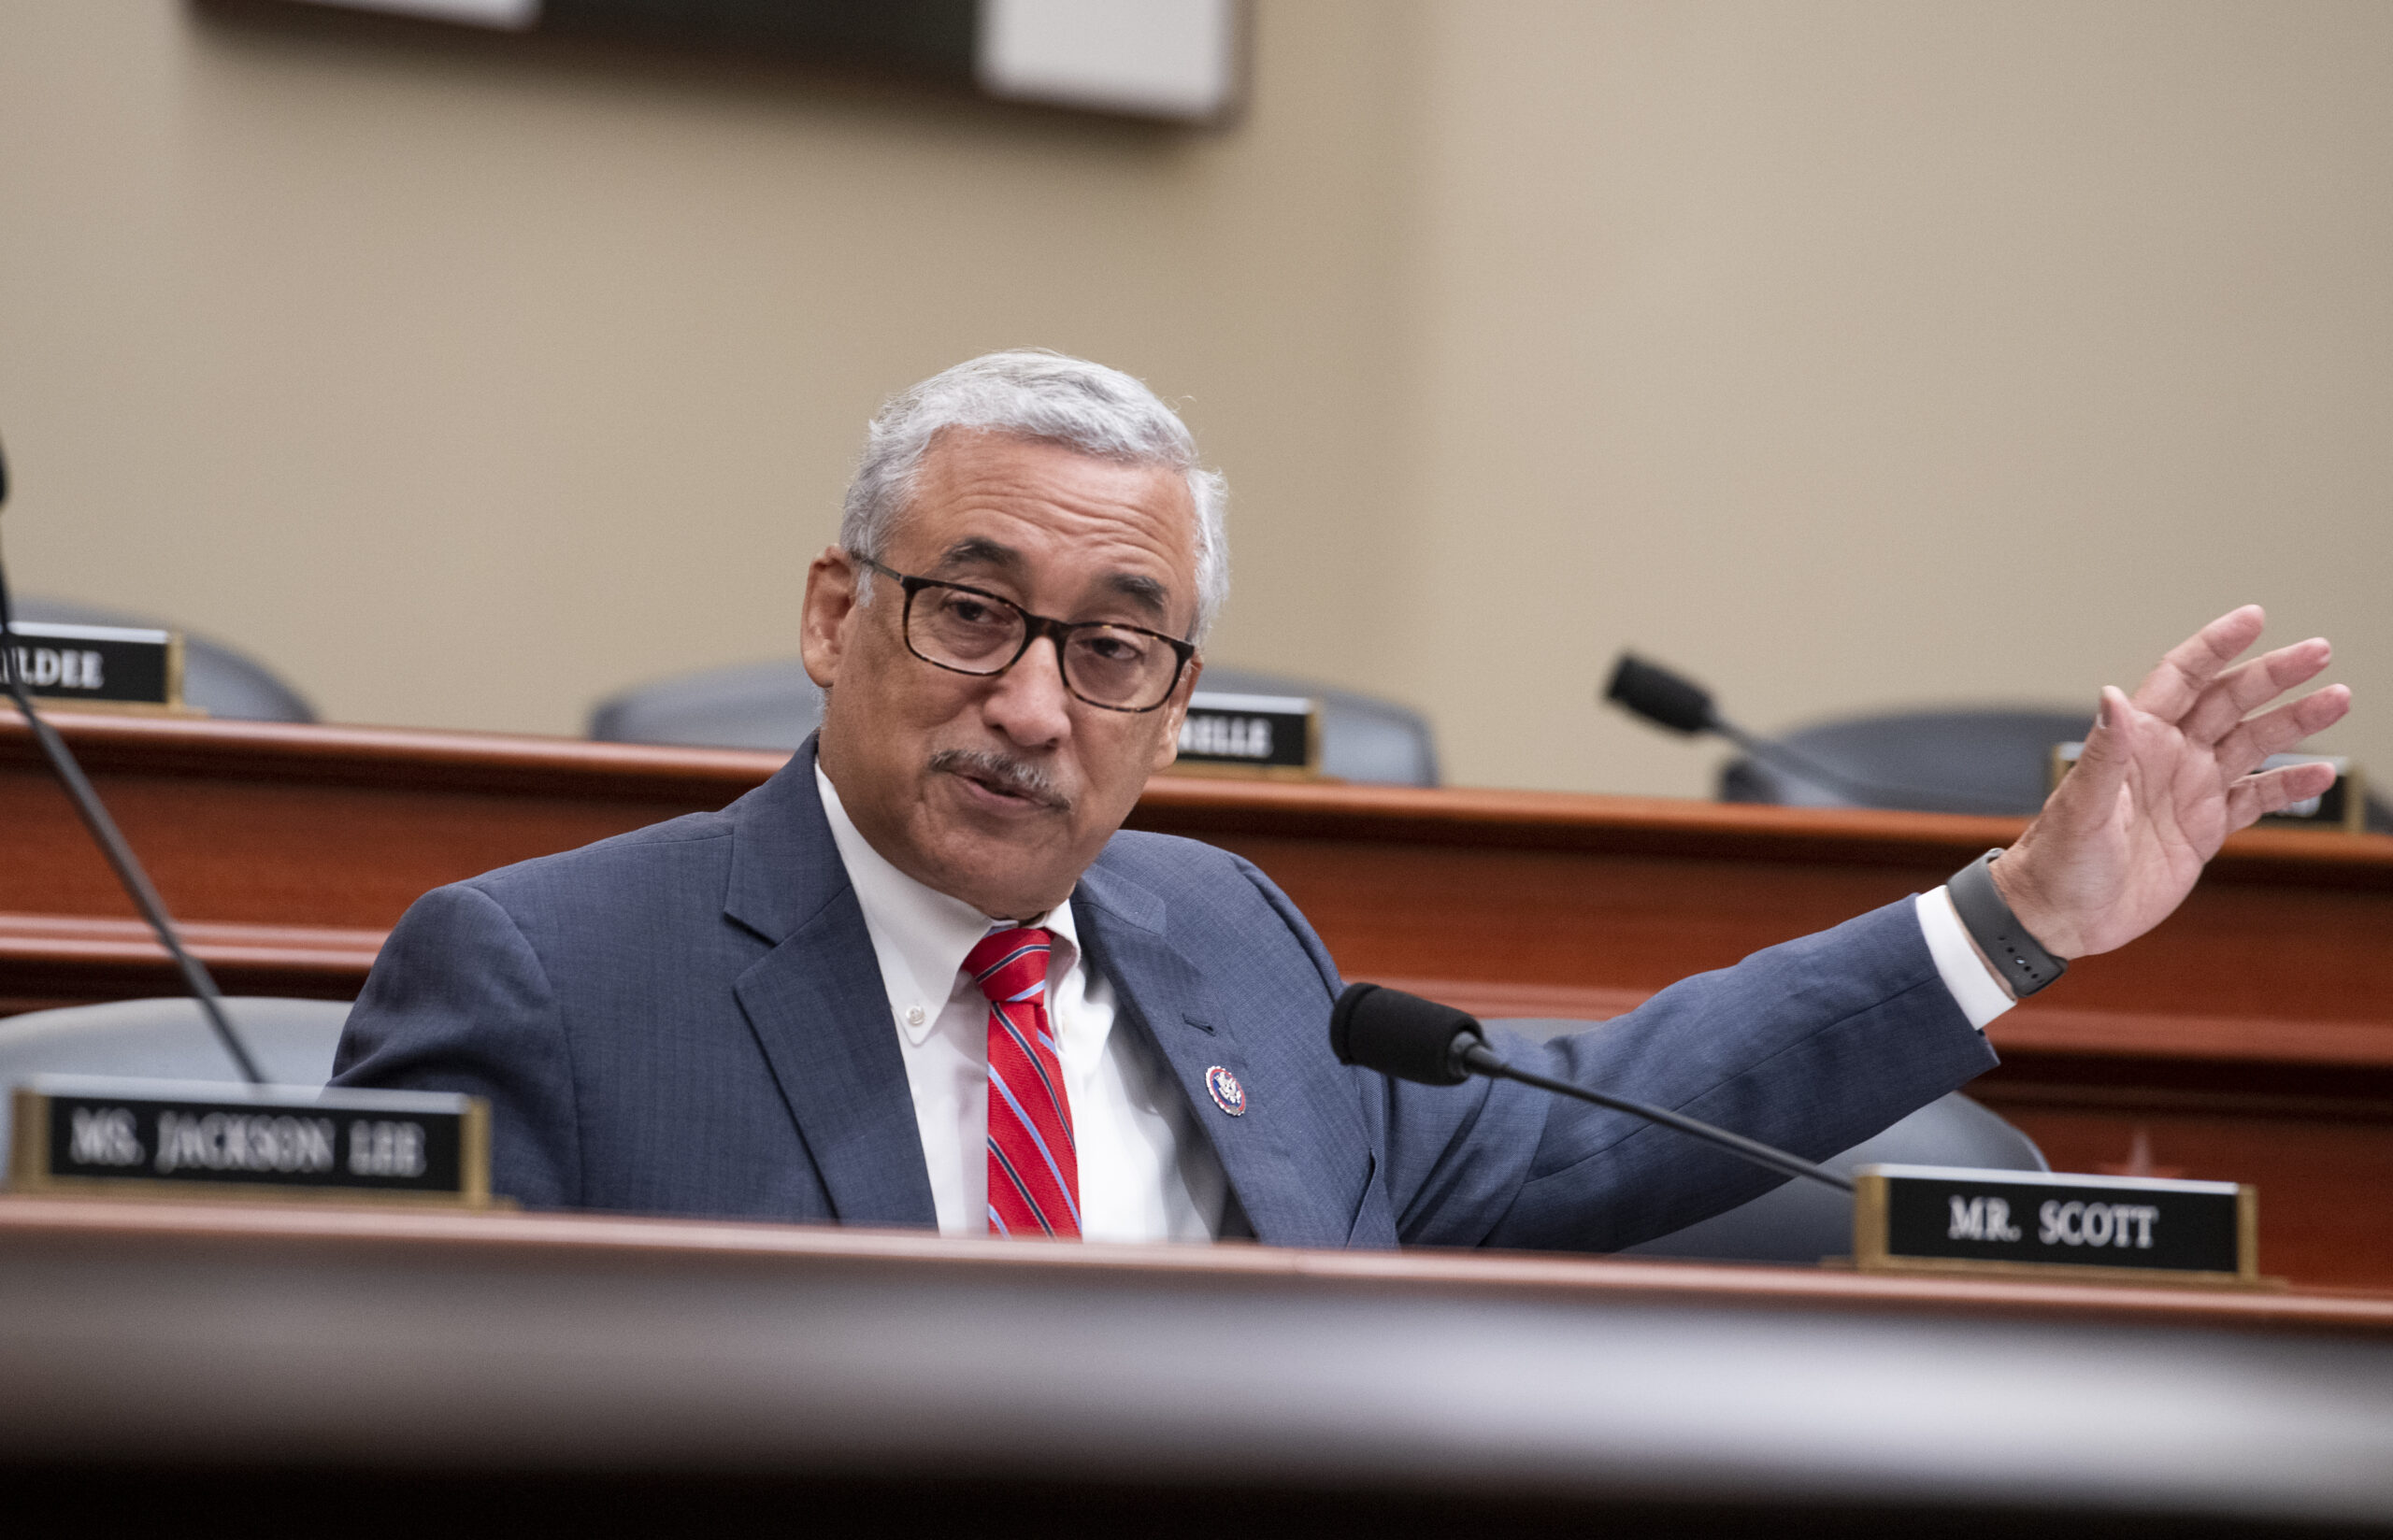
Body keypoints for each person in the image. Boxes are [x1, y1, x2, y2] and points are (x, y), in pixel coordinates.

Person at [332, 350, 2350, 1249]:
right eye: (971, 614)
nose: (1034, 705)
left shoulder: (1227, 940)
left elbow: (1598, 1120)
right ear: (831, 613)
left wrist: (2017, 912)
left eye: (1112, 647)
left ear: (1176, 699)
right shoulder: (550, 974)